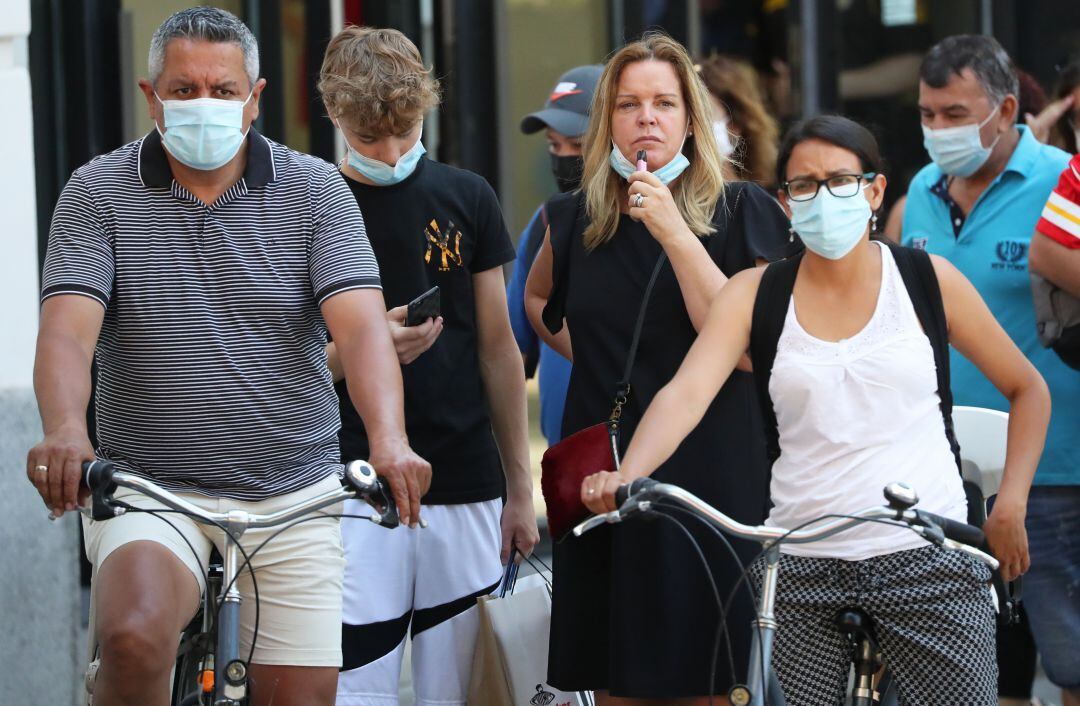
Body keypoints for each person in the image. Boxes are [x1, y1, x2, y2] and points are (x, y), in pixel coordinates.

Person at [26, 8, 430, 706]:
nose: (203, 104)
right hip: (152, 489)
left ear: (255, 97)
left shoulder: (315, 190)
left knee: (298, 696)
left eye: (222, 88)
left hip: (294, 491)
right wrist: (65, 427)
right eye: (182, 91)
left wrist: (390, 439)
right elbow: (66, 331)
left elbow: (362, 328)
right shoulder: (97, 191)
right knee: (132, 636)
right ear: (150, 97)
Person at [585, 114, 1050, 704]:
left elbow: (1028, 387)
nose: (823, 197)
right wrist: (628, 477)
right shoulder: (757, 294)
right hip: (802, 563)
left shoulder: (926, 280)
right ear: (785, 201)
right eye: (804, 185)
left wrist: (1010, 502)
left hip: (930, 560)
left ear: (875, 191)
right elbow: (687, 393)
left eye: (840, 180)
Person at [525, 32, 800, 704]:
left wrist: (676, 233)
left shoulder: (745, 212)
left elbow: (739, 346)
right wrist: (597, 359)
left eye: (664, 103)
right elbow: (537, 300)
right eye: (628, 104)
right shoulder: (572, 219)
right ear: (607, 122)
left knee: (708, 681)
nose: (646, 117)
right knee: (615, 683)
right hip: (605, 473)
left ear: (690, 119)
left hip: (709, 475)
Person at [317, 26, 539, 706]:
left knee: (463, 689)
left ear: (426, 110)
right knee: (356, 689)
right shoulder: (309, 200)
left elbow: (499, 349)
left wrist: (518, 488)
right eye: (368, 136)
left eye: (404, 130)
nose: (389, 150)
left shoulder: (466, 194)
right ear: (333, 115)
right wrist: (354, 351)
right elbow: (280, 359)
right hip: (348, 482)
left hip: (465, 477)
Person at [901, 34, 1080, 706]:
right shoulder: (919, 189)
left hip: (1056, 474)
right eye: (927, 115)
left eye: (954, 115)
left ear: (1006, 111)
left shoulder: (1063, 183)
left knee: (1071, 665)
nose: (938, 130)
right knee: (977, 675)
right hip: (950, 477)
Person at [507, 64, 601, 445]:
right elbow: (513, 345)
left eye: (577, 146)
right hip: (567, 453)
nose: (563, 159)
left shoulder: (660, 222)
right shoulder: (546, 221)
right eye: (553, 146)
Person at [696, 54, 780, 186]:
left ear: (734, 125)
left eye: (703, 113)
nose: (691, 125)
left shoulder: (758, 203)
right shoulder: (663, 197)